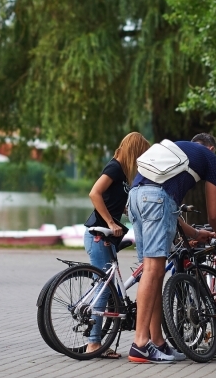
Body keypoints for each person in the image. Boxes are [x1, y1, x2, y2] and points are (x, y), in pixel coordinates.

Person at [127, 133, 216, 364]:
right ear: (211, 148)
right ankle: (140, 344)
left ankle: (157, 342)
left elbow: (165, 204)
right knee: (153, 271)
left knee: (152, 273)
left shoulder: (178, 150)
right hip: (155, 199)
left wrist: (194, 233)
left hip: (134, 197)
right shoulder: (211, 159)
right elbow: (213, 215)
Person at [82, 132, 150, 358]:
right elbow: (95, 193)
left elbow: (114, 201)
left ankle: (99, 338)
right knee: (104, 287)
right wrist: (111, 222)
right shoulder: (115, 168)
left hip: (108, 237)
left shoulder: (121, 174)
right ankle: (93, 343)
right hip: (99, 234)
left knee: (107, 286)